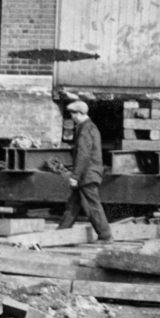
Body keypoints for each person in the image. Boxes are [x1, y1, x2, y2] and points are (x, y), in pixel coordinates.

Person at [58, 99, 113, 242]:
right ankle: (60, 233)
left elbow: (83, 154)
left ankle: (105, 236)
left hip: (87, 175)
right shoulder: (91, 127)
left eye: (72, 114)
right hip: (89, 173)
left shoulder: (85, 129)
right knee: (73, 205)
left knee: (92, 206)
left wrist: (75, 176)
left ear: (78, 114)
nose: (71, 117)